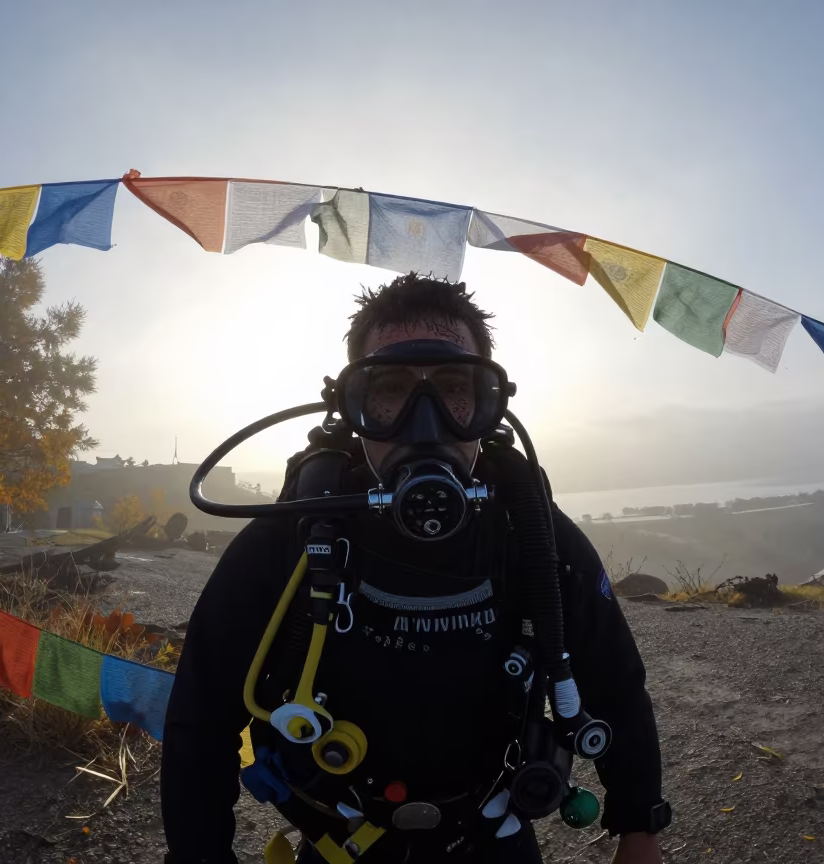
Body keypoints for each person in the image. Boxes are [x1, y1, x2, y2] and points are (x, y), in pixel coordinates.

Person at [162, 274, 668, 864]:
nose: (424, 423)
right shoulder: (295, 536)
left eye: (455, 388)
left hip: (491, 834)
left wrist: (639, 828)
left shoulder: (529, 530)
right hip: (342, 842)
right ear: (352, 409)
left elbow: (613, 678)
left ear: (487, 405)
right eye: (390, 390)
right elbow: (203, 712)